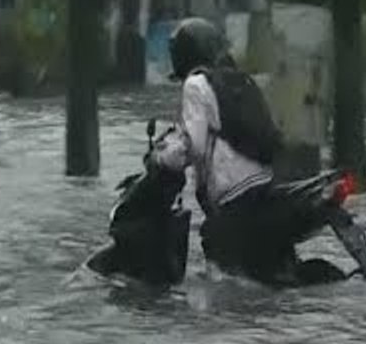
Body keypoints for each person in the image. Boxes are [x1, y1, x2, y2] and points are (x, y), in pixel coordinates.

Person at [147, 17, 344, 287]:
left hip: (233, 199)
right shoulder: (241, 81)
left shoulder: (196, 85)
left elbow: (193, 145)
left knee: (221, 278)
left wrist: (162, 157)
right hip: (265, 189)